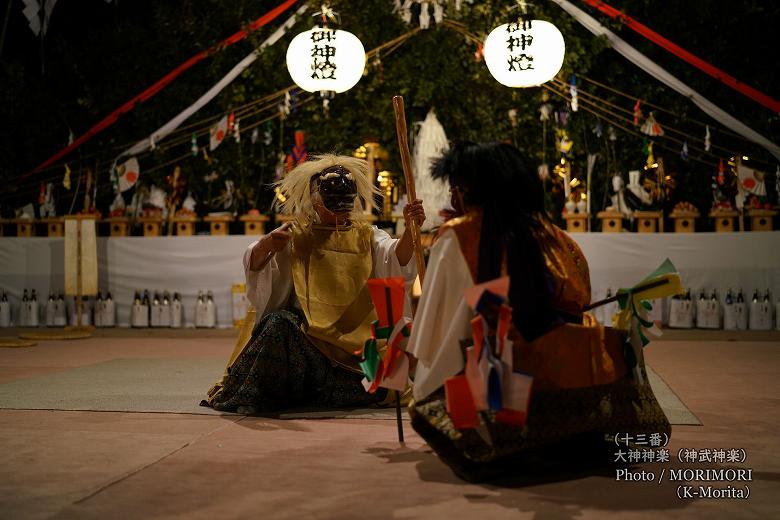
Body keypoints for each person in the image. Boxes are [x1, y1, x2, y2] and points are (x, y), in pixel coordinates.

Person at [405, 142, 670, 481]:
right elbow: (578, 299)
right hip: (573, 359)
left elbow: (439, 323)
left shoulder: (461, 233)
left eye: (456, 185)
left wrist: (421, 363)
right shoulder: (555, 234)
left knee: (434, 383)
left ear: (469, 188)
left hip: (503, 360)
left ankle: (501, 436)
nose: (453, 194)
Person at [204, 154, 425, 414]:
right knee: (277, 324)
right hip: (309, 343)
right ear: (315, 201)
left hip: (359, 355)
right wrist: (267, 245)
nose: (339, 214)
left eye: (344, 207)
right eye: (332, 207)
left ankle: (311, 390)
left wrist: (411, 231)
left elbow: (395, 262)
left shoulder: (369, 237)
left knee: (374, 385)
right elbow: (257, 263)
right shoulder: (297, 235)